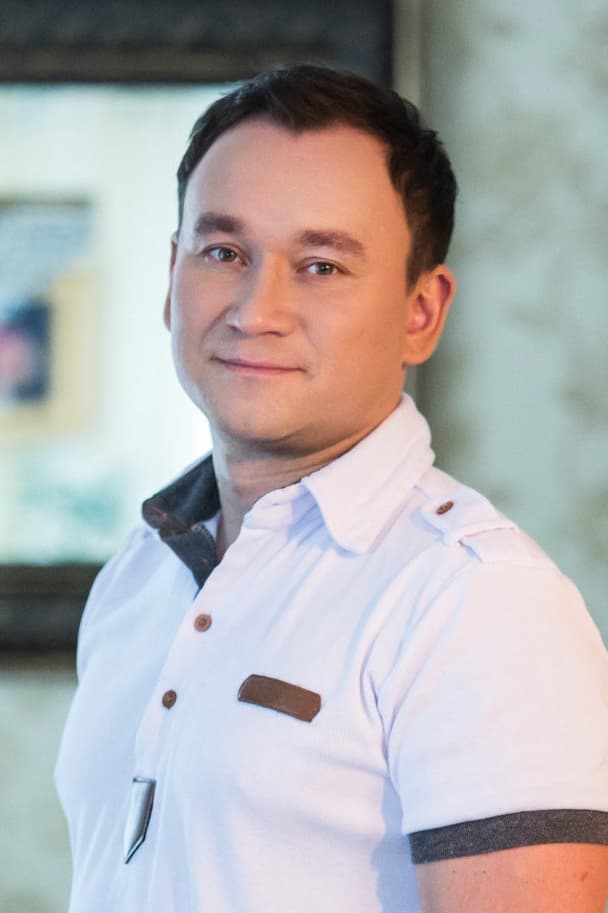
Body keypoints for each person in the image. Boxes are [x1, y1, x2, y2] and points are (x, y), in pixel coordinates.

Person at [55, 64, 608, 913]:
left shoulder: (478, 599)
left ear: (421, 311)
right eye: (224, 252)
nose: (256, 309)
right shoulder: (137, 575)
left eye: (321, 265)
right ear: (171, 276)